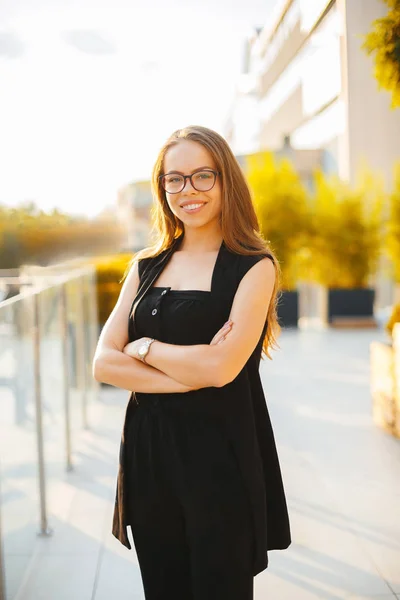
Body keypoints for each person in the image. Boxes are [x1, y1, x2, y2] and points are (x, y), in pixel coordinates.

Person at [93, 125, 291, 600]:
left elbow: (222, 371)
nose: (189, 190)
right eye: (174, 179)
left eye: (204, 176)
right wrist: (192, 372)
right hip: (149, 456)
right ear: (162, 189)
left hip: (220, 457)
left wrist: (144, 349)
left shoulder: (254, 266)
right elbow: (103, 363)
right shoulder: (145, 266)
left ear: (227, 181)